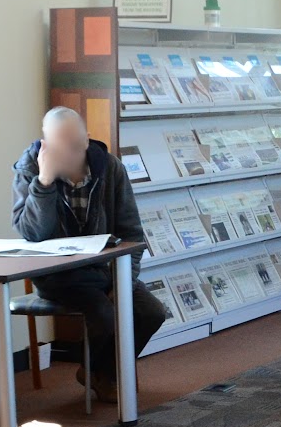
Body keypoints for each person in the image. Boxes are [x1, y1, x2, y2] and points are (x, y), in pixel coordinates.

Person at [12, 107, 169, 399]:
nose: (69, 155)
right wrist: (44, 183)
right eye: (59, 147)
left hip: (105, 271)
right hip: (60, 276)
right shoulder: (30, 168)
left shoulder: (109, 168)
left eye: (75, 146)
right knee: (103, 314)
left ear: (86, 140)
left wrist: (123, 280)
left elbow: (132, 233)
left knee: (152, 312)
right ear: (45, 144)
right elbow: (33, 234)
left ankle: (96, 370)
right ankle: (104, 374)